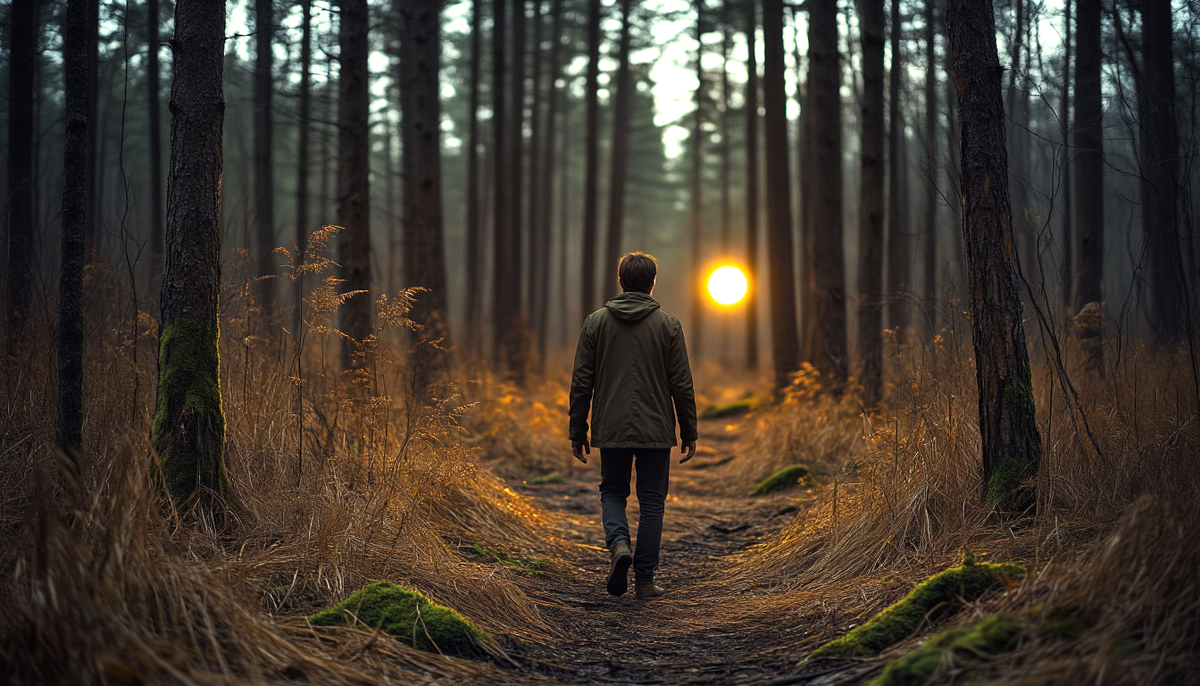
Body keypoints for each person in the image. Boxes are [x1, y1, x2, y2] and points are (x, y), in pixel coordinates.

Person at [569, 252, 698, 599]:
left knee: (613, 492)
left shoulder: (595, 322)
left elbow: (582, 381)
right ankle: (643, 581)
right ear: (652, 282)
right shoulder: (669, 325)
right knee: (653, 502)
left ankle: (619, 546)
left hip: (610, 427)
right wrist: (689, 431)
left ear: (620, 280)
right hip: (656, 429)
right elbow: (681, 384)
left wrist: (577, 430)